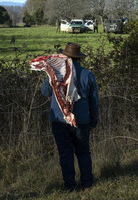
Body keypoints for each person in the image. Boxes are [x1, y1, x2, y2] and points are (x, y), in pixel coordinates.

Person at [41, 43, 99, 191]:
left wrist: (50, 75)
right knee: (83, 152)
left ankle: (70, 186)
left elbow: (45, 92)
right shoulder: (87, 74)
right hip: (81, 120)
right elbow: (94, 101)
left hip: (59, 120)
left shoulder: (55, 73)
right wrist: (93, 120)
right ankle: (87, 184)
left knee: (65, 154)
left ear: (64, 57)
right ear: (79, 58)